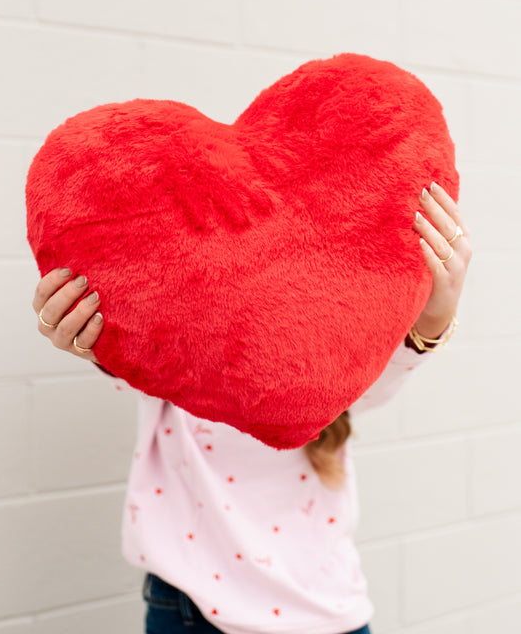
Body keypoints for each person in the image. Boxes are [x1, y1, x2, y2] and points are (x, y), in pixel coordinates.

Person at [33, 181, 471, 634]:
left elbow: (375, 385)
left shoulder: (326, 345)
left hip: (327, 609)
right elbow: (139, 364)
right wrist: (96, 336)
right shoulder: (187, 321)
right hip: (194, 610)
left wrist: (434, 317)